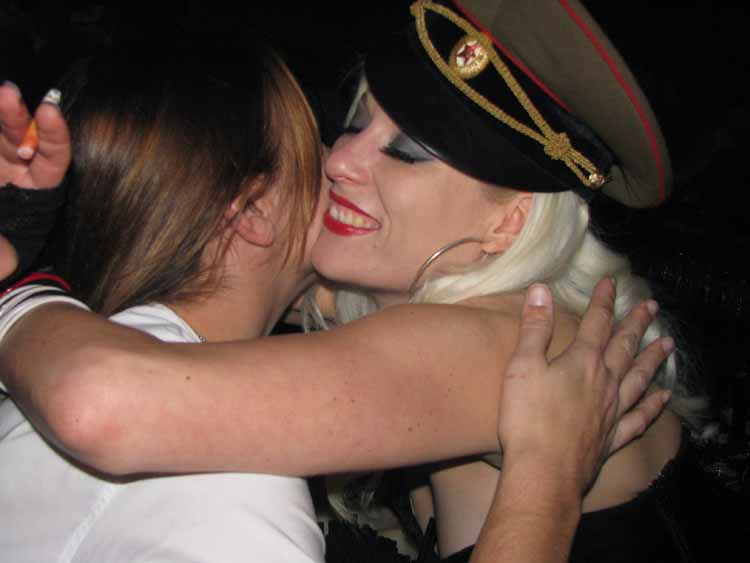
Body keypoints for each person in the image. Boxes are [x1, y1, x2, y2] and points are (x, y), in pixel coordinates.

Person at [0, 0, 694, 560]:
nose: (338, 161)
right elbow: (230, 255)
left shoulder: (514, 339)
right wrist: (38, 224)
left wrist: (13, 283)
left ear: (508, 224)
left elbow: (99, 400)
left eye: (407, 153)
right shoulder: (416, 302)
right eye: (356, 124)